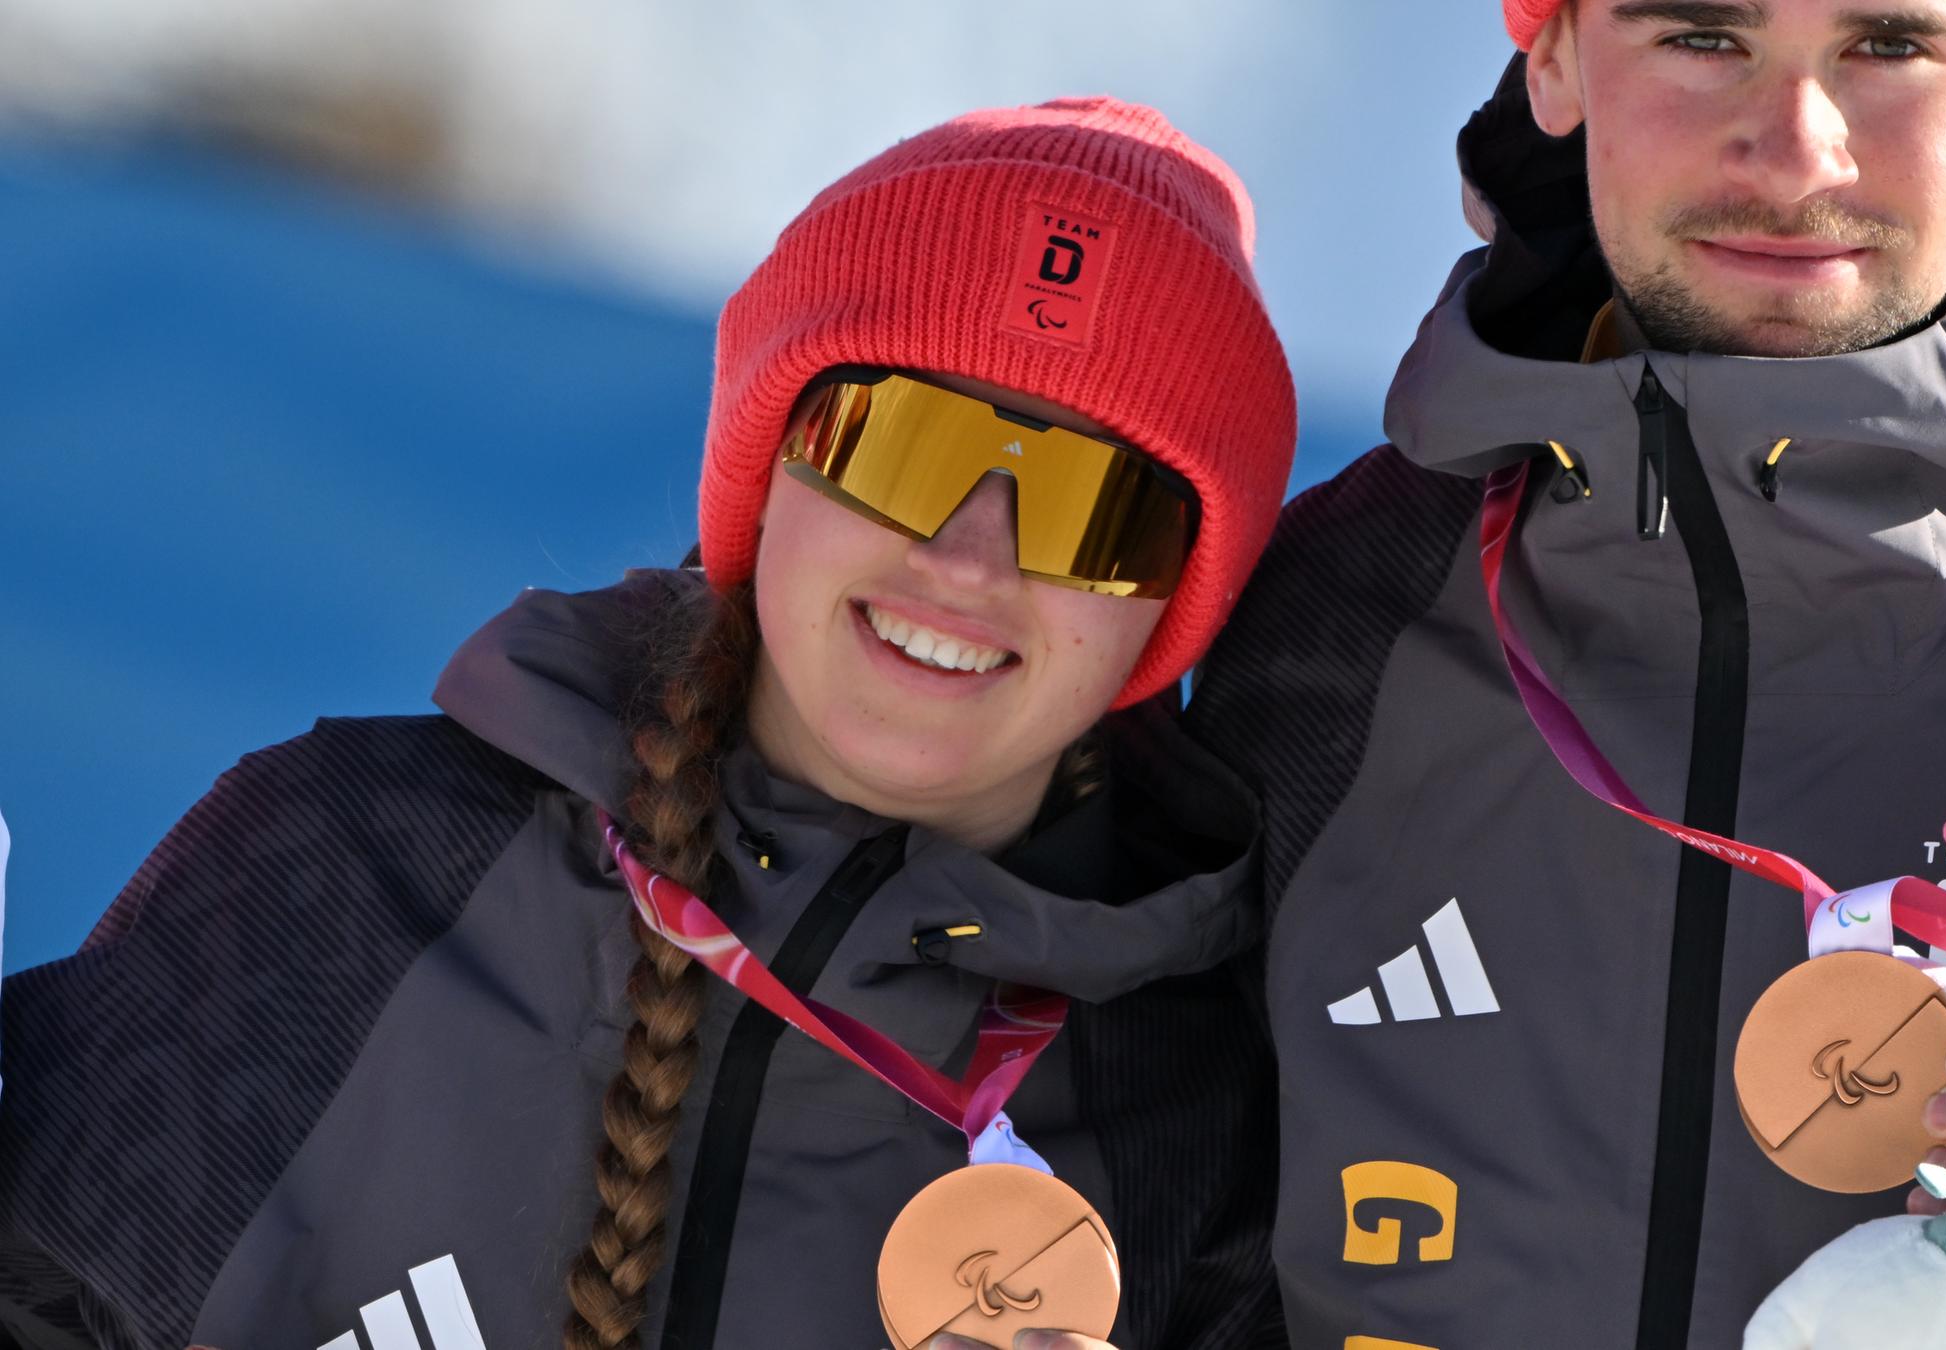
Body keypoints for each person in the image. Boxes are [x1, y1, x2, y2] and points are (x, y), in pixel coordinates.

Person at [1186, 1, 1946, 1346]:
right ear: (1557, 59)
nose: (1797, 148)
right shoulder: (1320, 612)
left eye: (1889, 45)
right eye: (1704, 38)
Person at [0, 96, 1296, 1350]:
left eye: (1093, 509)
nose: (969, 557)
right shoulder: (354, 863)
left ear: (1171, 603)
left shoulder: (1205, 1120)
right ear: (766, 464)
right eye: (901, 443)